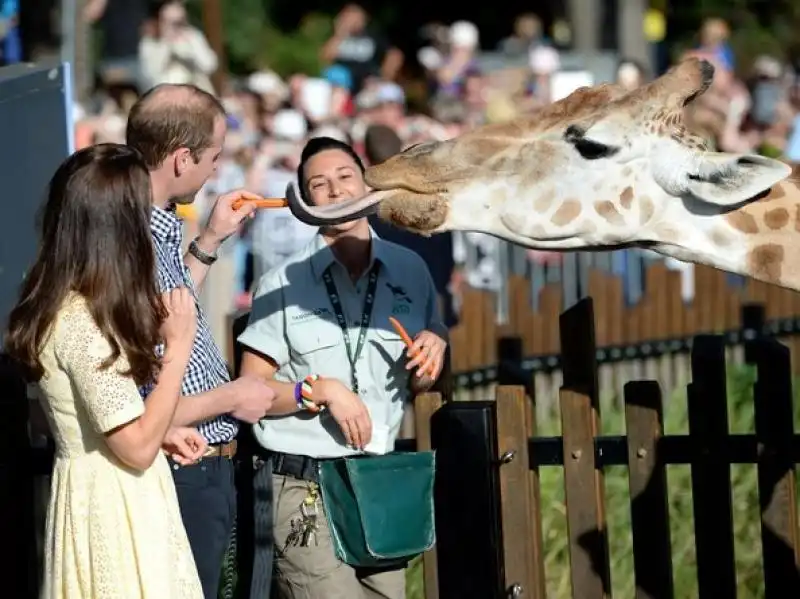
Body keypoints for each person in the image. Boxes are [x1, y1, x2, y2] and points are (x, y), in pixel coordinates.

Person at [237, 136, 449, 599]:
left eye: (345, 177)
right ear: (306, 203)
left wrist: (435, 348)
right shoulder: (281, 283)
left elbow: (425, 375)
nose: (334, 190)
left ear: (367, 185)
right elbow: (249, 394)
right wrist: (323, 389)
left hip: (376, 484)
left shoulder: (412, 269)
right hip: (303, 487)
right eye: (318, 184)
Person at [4, 143, 206, 598]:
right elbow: (133, 449)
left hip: (101, 489)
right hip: (112, 504)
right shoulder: (81, 322)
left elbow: (89, 416)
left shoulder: (67, 303)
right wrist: (177, 349)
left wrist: (155, 425)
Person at [126, 83, 276, 599]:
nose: (216, 169)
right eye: (212, 157)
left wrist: (209, 241)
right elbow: (136, 400)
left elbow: (172, 313)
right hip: (182, 465)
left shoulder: (159, 225)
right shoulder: (129, 240)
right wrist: (230, 397)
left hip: (204, 464)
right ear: (182, 157)